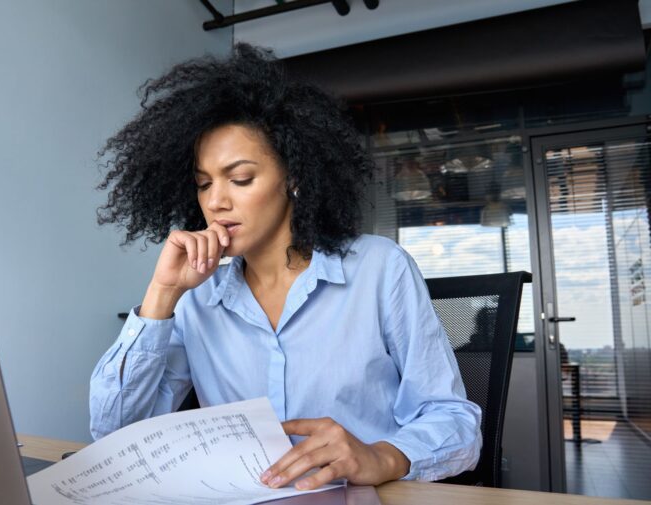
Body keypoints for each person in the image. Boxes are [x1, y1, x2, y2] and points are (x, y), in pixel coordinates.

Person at [90, 43, 481, 490]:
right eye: (203, 184)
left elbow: (454, 420)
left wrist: (381, 457)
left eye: (240, 179)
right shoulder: (198, 294)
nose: (215, 201)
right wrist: (162, 295)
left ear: (293, 177)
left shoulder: (380, 269)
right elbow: (115, 434)